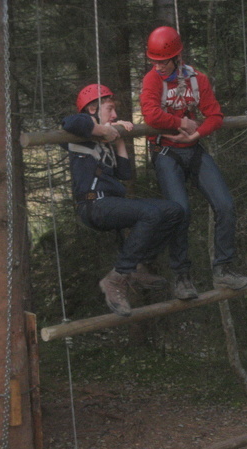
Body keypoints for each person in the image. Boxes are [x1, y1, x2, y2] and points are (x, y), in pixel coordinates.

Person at [140, 25, 247, 300]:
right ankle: (181, 277)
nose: (158, 66)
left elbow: (215, 115)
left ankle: (224, 269)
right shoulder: (152, 81)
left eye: (163, 61)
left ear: (177, 57)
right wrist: (181, 122)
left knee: (225, 204)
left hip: (194, 148)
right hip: (166, 152)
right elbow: (152, 115)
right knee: (181, 210)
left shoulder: (196, 79)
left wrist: (198, 132)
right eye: (153, 61)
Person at [62, 84, 185, 316]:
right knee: (151, 214)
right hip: (93, 205)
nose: (115, 115)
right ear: (91, 108)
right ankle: (117, 278)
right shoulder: (79, 134)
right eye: (110, 109)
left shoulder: (104, 139)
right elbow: (70, 122)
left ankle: (135, 266)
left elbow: (124, 174)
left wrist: (118, 138)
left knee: (174, 211)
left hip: (110, 203)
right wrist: (103, 129)